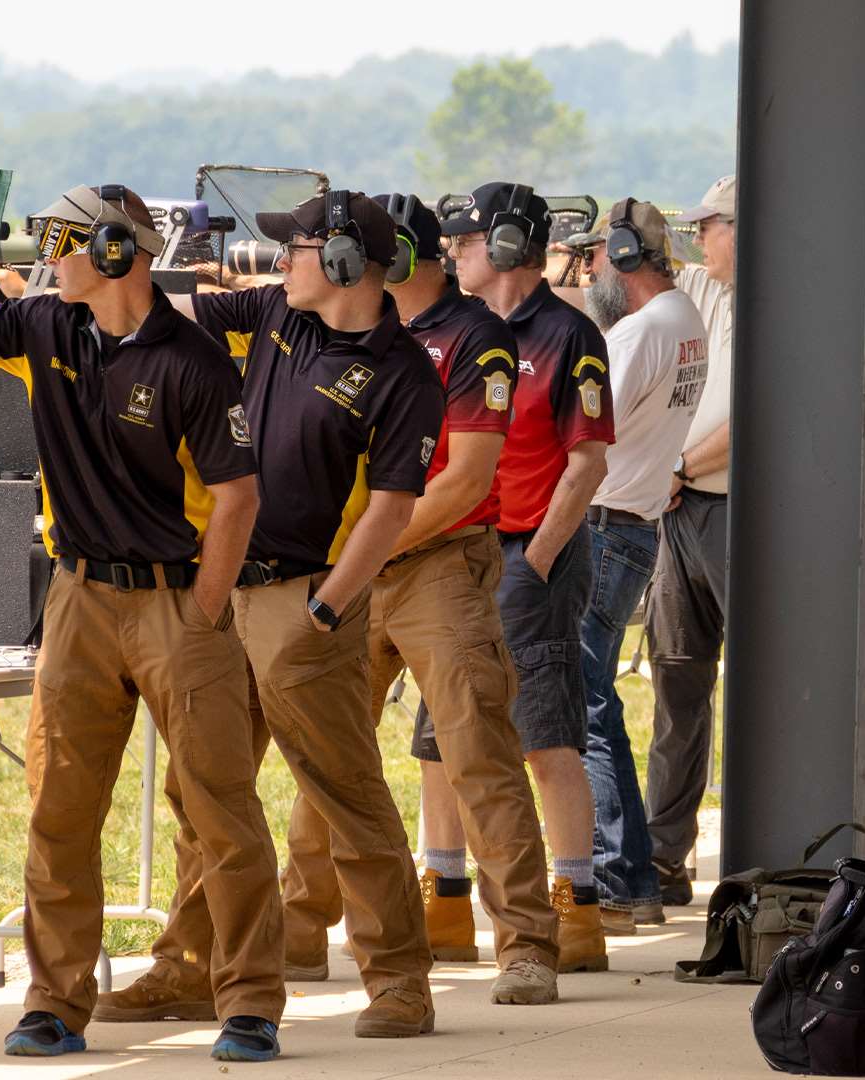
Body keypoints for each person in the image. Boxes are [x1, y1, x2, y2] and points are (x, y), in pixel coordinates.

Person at [105, 190, 446, 1040]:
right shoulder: (272, 312)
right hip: (221, 589)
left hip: (304, 600)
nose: (277, 261)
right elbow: (162, 306)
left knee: (345, 796)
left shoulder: (404, 374)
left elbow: (392, 509)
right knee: (205, 792)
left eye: (294, 248)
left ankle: (400, 981)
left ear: (341, 264)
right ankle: (189, 968)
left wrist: (327, 612)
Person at [0, 185, 279, 1062]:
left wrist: (204, 610)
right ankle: (55, 1005)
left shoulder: (193, 361)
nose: (47, 259)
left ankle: (251, 1001)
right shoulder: (44, 324)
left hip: (175, 599)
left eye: (61, 243)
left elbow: (237, 498)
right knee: (60, 811)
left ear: (116, 251)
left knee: (220, 806)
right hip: (76, 593)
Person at [259, 194, 561, 1006]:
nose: (470, 252)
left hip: (435, 567)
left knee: (478, 754)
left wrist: (358, 548)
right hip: (356, 568)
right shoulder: (340, 331)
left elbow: (465, 478)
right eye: (459, 241)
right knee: (326, 755)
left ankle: (527, 944)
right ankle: (298, 929)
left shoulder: (476, 339)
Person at [440, 181, 616, 973]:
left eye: (467, 240)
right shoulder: (464, 330)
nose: (454, 253)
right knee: (442, 733)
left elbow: (586, 465)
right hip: (462, 551)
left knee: (544, 730)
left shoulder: (568, 335)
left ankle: (575, 905)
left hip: (529, 550)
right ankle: (442, 895)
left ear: (508, 246)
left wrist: (535, 563)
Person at [563, 198, 708, 932]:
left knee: (584, 701)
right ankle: (630, 875)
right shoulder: (682, 320)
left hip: (600, 523)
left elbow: (580, 430)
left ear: (622, 255)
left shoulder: (639, 333)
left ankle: (619, 879)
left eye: (593, 257)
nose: (588, 272)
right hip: (635, 521)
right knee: (595, 699)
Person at [645, 175, 736, 906]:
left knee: (765, 692)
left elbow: (761, 412)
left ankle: (760, 854)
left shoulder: (782, 303)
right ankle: (663, 856)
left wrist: (675, 465)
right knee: (677, 686)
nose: (698, 238)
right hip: (681, 512)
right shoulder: (699, 289)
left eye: (709, 226)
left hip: (743, 515)